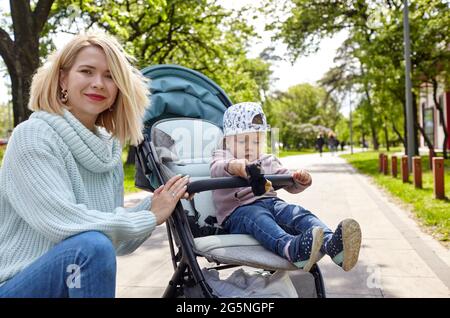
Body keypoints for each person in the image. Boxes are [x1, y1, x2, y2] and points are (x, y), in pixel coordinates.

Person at [0, 33, 190, 298]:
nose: (99, 83)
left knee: (96, 245)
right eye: (86, 71)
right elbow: (62, 223)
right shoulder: (33, 136)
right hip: (15, 285)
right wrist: (149, 216)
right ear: (62, 78)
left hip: (70, 282)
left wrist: (160, 203)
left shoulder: (107, 149)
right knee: (91, 246)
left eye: (110, 76)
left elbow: (117, 243)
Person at [210, 102, 362, 272]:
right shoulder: (223, 156)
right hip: (237, 213)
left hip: (271, 202)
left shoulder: (267, 160)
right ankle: (291, 249)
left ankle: (332, 245)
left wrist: (300, 179)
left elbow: (288, 181)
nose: (249, 147)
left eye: (256, 141)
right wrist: (239, 167)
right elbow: (217, 169)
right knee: (257, 216)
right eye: (241, 140)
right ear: (227, 141)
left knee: (297, 212)